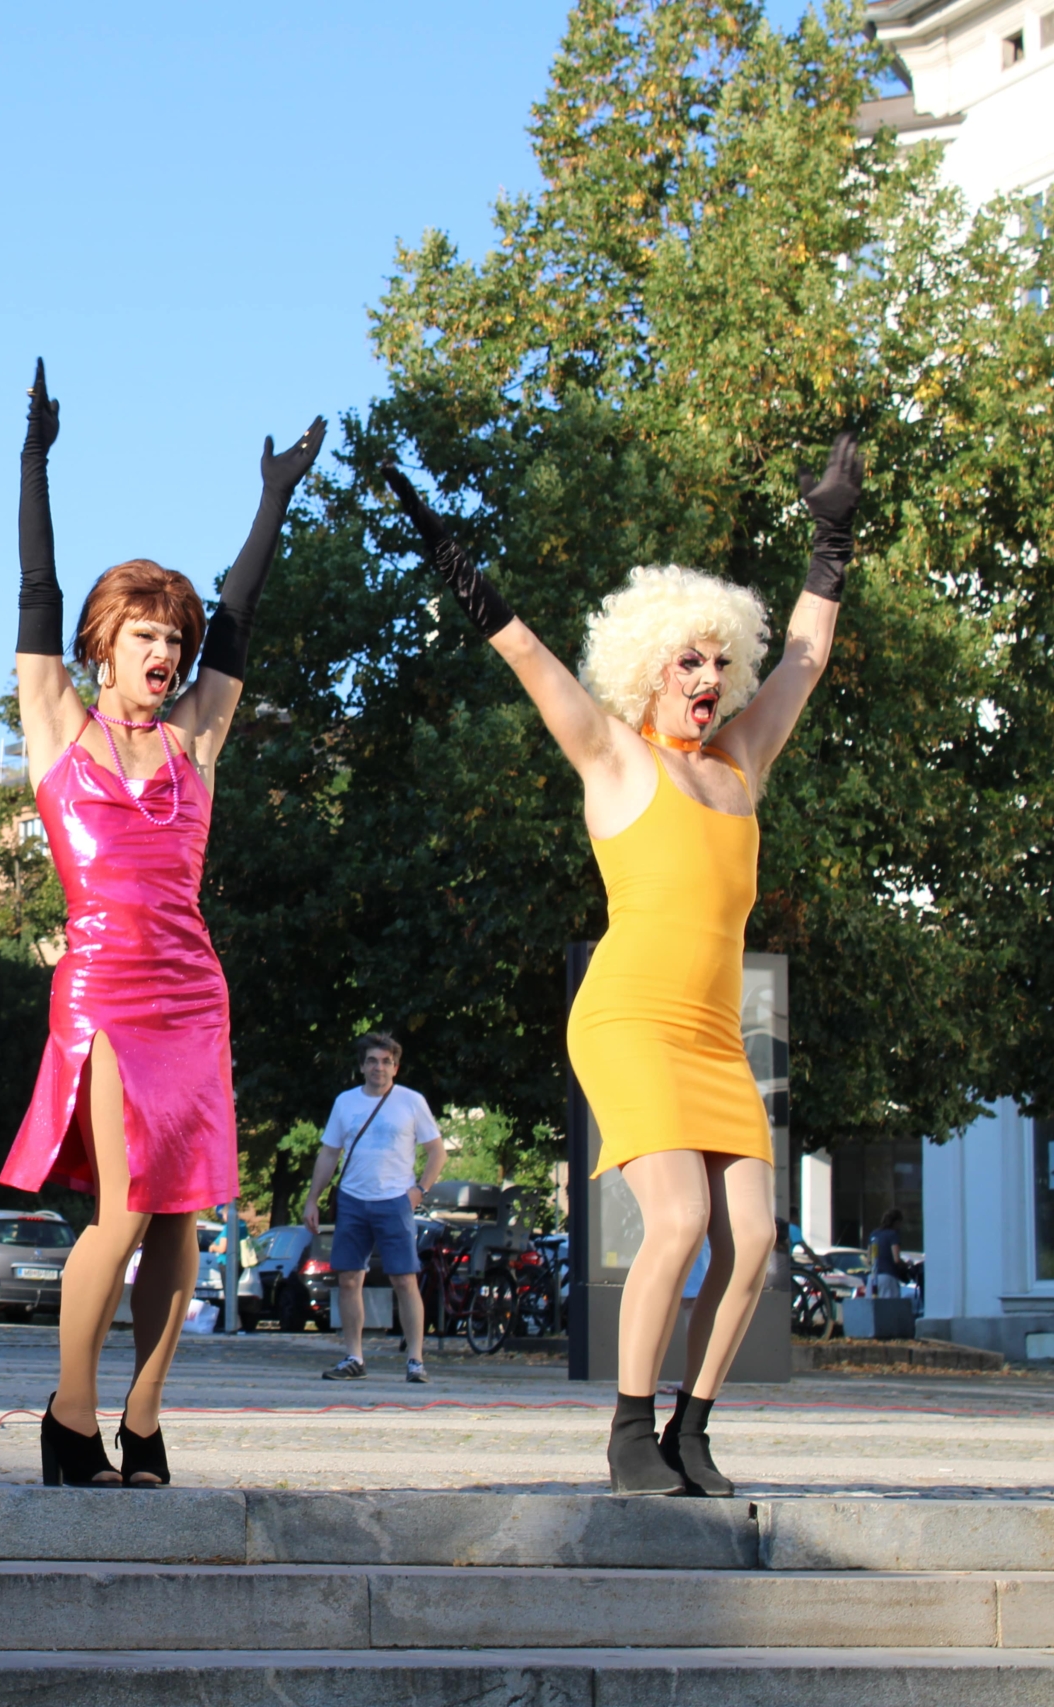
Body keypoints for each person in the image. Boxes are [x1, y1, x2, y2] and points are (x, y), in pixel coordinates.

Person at [381, 432, 864, 1497]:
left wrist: (829, 540)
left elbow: (806, 660)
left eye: (718, 660)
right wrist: (453, 561)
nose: (710, 677)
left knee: (752, 1246)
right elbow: (526, 660)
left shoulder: (739, 761)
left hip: (707, 1031)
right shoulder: (615, 757)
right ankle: (627, 1432)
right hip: (628, 1020)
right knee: (681, 1219)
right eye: (687, 660)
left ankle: (691, 1431)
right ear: (647, 667)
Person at [0, 360, 324, 1488]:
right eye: (146, 633)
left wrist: (273, 500)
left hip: (191, 992)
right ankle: (67, 1416)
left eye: (174, 642)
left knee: (183, 1219)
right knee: (124, 1205)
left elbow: (239, 620)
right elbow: (34, 587)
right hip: (102, 988)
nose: (166, 653)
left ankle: (142, 1420)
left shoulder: (196, 742)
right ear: (104, 642)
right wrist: (35, 462)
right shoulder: (55, 725)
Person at [305, 1033, 444, 1383]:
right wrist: (312, 1199)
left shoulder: (411, 1102)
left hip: (395, 1200)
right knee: (349, 1279)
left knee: (404, 1279)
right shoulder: (346, 1103)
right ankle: (354, 1357)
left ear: (395, 1067)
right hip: (353, 1199)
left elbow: (437, 1152)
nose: (378, 1067)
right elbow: (328, 1154)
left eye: (385, 1061)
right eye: (372, 1061)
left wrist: (419, 1191)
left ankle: (415, 1360)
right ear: (361, 1066)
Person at [868, 1209, 907, 1300]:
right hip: (888, 1278)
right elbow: (896, 1259)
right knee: (889, 1309)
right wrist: (906, 1265)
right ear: (896, 1222)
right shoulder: (893, 1235)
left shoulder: (874, 1234)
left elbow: (869, 1259)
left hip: (873, 1278)